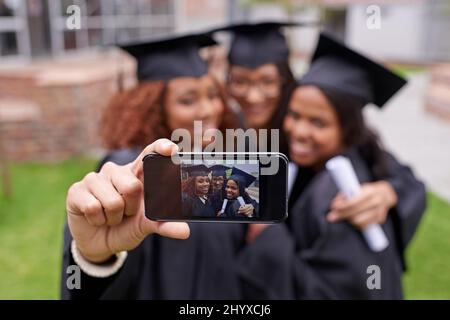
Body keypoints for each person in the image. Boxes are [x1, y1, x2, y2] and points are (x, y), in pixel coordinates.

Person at [275, 33, 426, 298]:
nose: (298, 131)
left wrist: (266, 238)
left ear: (348, 130)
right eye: (294, 115)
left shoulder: (342, 201)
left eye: (318, 123)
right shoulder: (351, 156)